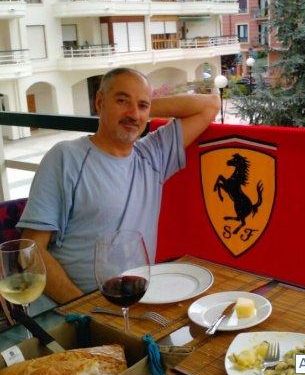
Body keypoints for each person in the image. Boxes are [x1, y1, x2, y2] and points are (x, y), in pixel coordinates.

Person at [17, 68, 219, 312]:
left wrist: (141, 108)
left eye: (142, 105)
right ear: (99, 102)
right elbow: (30, 251)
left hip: (133, 300)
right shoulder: (65, 157)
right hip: (68, 309)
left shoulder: (153, 154)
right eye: (121, 101)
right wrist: (86, 310)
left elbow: (210, 105)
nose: (133, 114)